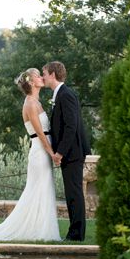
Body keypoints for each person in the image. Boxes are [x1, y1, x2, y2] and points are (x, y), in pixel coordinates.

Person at [0, 68, 60, 241]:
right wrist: (52, 153)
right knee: (37, 189)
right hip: (39, 152)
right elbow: (40, 133)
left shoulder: (37, 101)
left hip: (44, 151)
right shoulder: (29, 104)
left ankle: (38, 227)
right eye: (38, 75)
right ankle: (36, 230)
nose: (41, 77)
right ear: (31, 82)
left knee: (43, 189)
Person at [42, 61, 90, 241]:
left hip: (73, 153)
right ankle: (74, 232)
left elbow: (71, 127)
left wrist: (59, 153)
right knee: (71, 193)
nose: (43, 77)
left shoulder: (66, 94)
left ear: (53, 74)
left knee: (74, 193)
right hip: (70, 153)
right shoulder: (60, 94)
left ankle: (77, 234)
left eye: (44, 73)